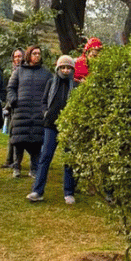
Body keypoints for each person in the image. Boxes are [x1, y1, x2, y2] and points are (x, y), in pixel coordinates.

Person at [28, 55, 80, 204]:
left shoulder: (76, 86)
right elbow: (44, 101)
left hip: (69, 126)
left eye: (68, 68)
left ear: (72, 70)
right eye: (63, 67)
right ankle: (37, 191)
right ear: (58, 69)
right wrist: (45, 113)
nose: (65, 70)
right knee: (45, 157)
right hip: (51, 125)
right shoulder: (51, 83)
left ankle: (69, 192)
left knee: (68, 159)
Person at [5, 46, 50, 178]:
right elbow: (10, 88)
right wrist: (14, 101)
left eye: (39, 53)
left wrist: (45, 107)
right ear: (29, 55)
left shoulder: (46, 73)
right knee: (19, 140)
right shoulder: (19, 72)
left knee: (36, 141)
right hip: (21, 110)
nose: (37, 56)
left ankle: (34, 168)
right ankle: (16, 167)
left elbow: (50, 92)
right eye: (34, 53)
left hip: (38, 112)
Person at [2, 48, 25, 169]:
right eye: (15, 57)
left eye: (20, 56)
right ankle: (9, 160)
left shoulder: (25, 71)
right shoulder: (13, 70)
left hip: (21, 106)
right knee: (12, 134)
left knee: (18, 136)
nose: (17, 59)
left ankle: (15, 162)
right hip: (12, 106)